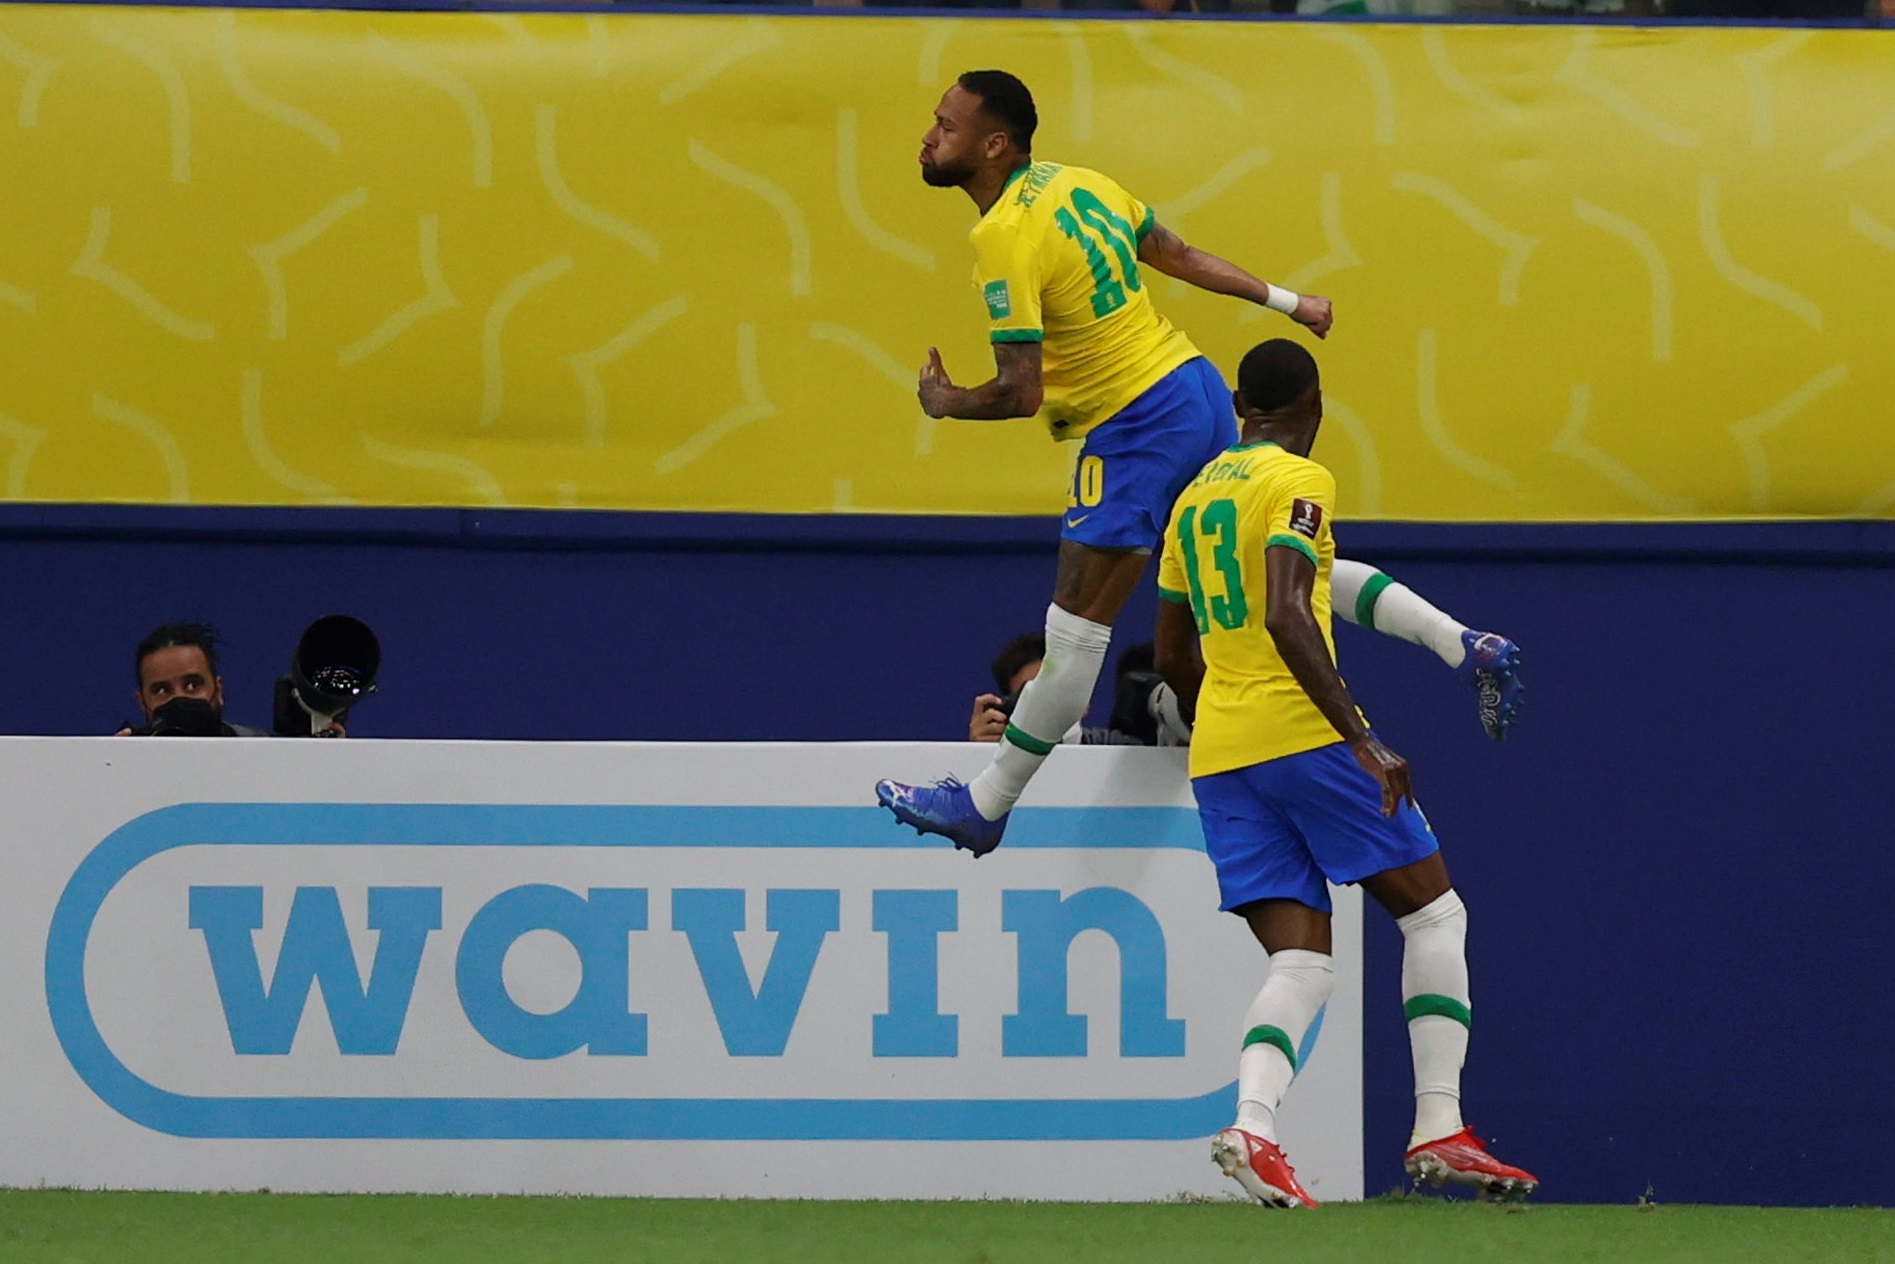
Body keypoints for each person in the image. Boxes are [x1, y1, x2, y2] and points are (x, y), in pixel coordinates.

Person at [876, 69, 1342, 855]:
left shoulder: (999, 238)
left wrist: (945, 400)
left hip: (1133, 427)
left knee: (1074, 633)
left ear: (994, 146)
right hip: (1194, 388)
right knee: (1256, 572)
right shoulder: (1076, 182)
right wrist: (1292, 303)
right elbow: (1179, 254)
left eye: (945, 127)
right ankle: (1433, 647)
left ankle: (986, 805)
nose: (927, 137)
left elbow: (1019, 393)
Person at [1150, 339, 1535, 1207]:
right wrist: (1360, 737)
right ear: (1311, 403)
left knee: (1301, 965)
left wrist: (1233, 716)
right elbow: (1292, 612)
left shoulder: (1191, 501)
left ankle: (1251, 1126)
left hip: (1221, 753)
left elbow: (1173, 652)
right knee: (1435, 912)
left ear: (1240, 405)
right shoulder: (1299, 481)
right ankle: (1439, 1125)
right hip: (1303, 737)